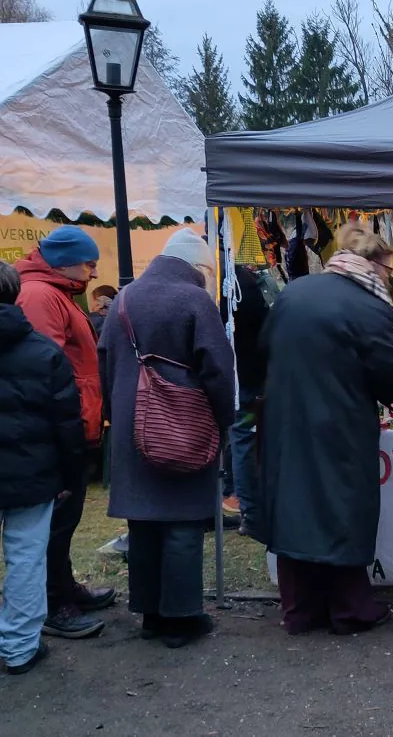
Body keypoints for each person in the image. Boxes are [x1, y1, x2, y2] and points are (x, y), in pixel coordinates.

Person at [259, 222, 393, 636]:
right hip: (340, 424)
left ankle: (300, 610)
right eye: (390, 272)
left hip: (286, 420)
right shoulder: (371, 307)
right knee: (342, 509)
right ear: (375, 266)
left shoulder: (294, 292)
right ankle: (349, 609)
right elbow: (391, 384)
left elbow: (264, 348)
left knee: (296, 508)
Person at [98, 228, 235, 648]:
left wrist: (118, 413)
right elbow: (216, 368)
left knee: (142, 523)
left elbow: (104, 359)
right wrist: (224, 423)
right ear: (199, 268)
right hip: (182, 425)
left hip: (129, 426)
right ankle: (181, 618)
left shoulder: (122, 298)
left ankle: (151, 615)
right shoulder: (194, 299)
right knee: (181, 521)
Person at [15, 226, 114, 639]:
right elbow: (45, 369)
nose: (94, 273)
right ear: (65, 261)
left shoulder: (56, 293)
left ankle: (63, 586)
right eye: (89, 263)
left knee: (67, 518)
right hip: (61, 425)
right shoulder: (40, 296)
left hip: (76, 420)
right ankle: (55, 603)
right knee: (56, 519)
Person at [0, 262, 86, 674]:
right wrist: (72, 476)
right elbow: (67, 423)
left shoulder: (42, 350)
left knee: (27, 558)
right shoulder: (43, 352)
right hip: (30, 475)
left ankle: (19, 645)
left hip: (30, 472)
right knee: (26, 559)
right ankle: (18, 647)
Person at [221, 264, 270, 533]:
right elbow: (263, 325)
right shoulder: (240, 281)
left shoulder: (222, 279)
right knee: (244, 438)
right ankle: (247, 507)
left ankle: (237, 496)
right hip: (248, 381)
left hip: (234, 377)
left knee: (238, 438)